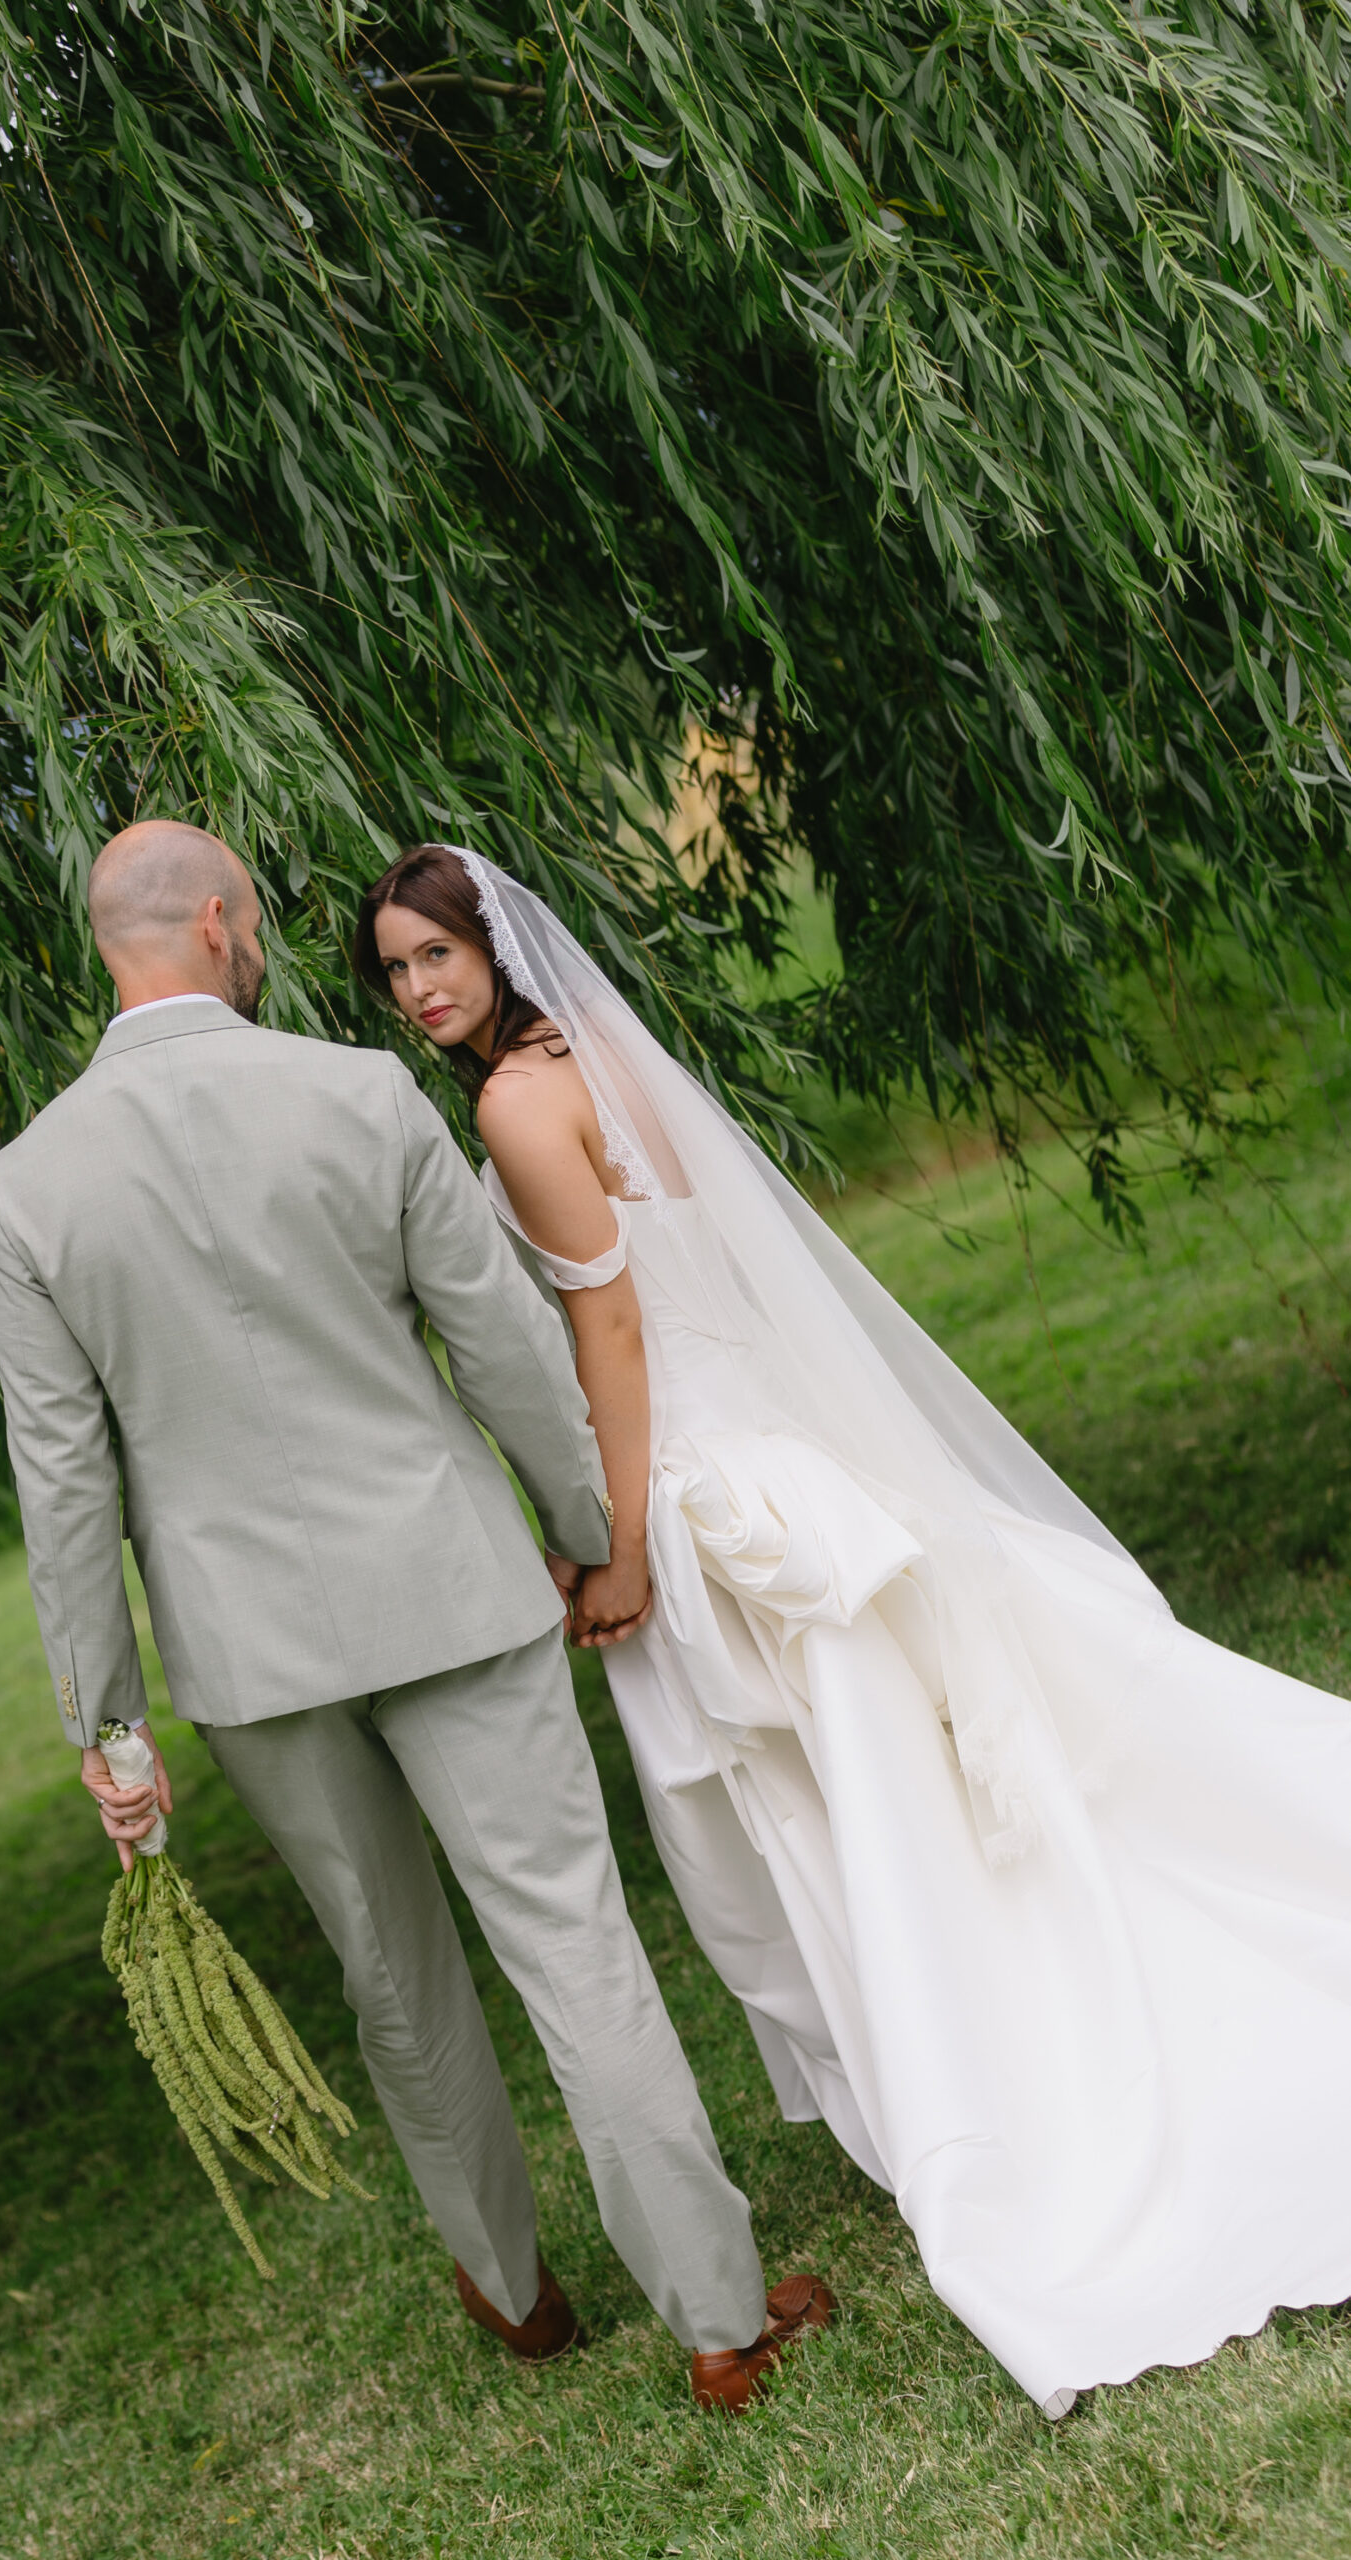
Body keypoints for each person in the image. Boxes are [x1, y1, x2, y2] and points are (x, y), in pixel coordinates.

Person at [357, 839, 1351, 2421]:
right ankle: (976, 2035)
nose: (416, 990)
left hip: (696, 1481)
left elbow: (611, 1328)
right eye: (394, 970)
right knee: (878, 1775)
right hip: (774, 1446)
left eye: (435, 956)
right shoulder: (595, 1059)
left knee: (826, 1802)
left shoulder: (513, 1106)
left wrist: (616, 1542)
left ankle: (976, 2077)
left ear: (493, 952)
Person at [0, 818, 835, 2416]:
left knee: (391, 1977)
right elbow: (501, 1344)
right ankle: (720, 2317)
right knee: (569, 1940)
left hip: (249, 1655)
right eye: (251, 921)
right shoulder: (360, 1097)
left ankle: (512, 2294)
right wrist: (586, 1532)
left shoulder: (25, 1187)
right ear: (216, 922)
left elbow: (63, 1479)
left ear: (109, 943)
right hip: (449, 1588)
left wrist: (108, 1723)